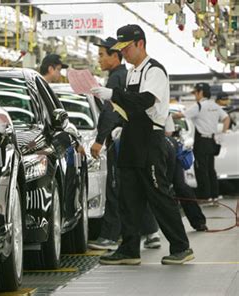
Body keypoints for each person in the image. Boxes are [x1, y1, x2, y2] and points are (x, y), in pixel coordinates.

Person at [91, 24, 193, 265]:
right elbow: (129, 106)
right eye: (121, 49)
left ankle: (181, 246)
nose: (123, 53)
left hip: (150, 140)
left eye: (126, 48)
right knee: (128, 197)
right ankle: (129, 249)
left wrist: (113, 95)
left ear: (140, 44)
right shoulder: (132, 73)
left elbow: (145, 101)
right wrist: (117, 121)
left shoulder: (154, 71)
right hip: (130, 138)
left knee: (158, 195)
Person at [88, 37, 161, 251]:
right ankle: (151, 232)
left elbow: (110, 113)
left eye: (102, 54)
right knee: (134, 187)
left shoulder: (116, 78)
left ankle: (110, 237)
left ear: (115, 56)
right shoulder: (126, 75)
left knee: (115, 188)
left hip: (119, 140)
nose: (99, 59)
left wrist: (100, 140)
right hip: (132, 138)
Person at [173, 83, 230, 202]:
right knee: (210, 169)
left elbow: (180, 115)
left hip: (201, 142)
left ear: (201, 92)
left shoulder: (199, 106)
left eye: (196, 93)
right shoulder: (215, 106)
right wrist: (223, 133)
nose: (195, 96)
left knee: (201, 169)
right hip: (212, 140)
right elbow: (226, 118)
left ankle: (205, 197)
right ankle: (214, 195)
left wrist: (167, 115)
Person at [165, 115, 208, 231]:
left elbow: (169, 131)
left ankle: (197, 222)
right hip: (160, 149)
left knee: (180, 187)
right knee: (176, 188)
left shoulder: (164, 112)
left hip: (166, 149)